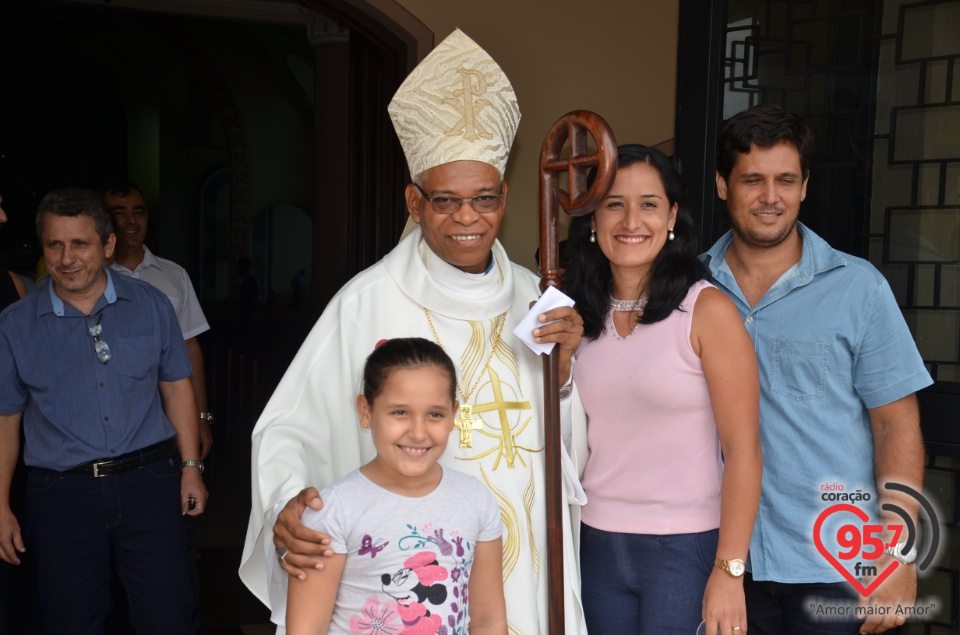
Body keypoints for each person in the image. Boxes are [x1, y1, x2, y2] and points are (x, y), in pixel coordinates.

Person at [240, 29, 588, 634]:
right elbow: (290, 426)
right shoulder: (367, 301)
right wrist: (287, 508)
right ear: (414, 201)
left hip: (525, 557)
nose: (466, 218)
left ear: (504, 198)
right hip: (405, 576)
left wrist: (564, 378)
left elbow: (569, 442)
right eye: (446, 200)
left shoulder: (538, 300)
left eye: (484, 199)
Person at [704, 104, 933, 634]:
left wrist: (898, 555)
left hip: (836, 565)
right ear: (722, 185)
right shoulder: (689, 292)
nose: (770, 197)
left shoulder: (859, 288)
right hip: (724, 562)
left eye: (786, 180)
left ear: (804, 186)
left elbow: (896, 425)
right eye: (752, 180)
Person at [563, 144, 763, 634]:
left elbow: (745, 451)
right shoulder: (575, 315)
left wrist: (729, 571)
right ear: (593, 217)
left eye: (649, 204)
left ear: (671, 215)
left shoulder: (706, 310)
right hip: (597, 542)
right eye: (614, 203)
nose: (631, 219)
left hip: (683, 547)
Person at [0, 187, 209, 634]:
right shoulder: (16, 324)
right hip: (62, 496)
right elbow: (7, 419)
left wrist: (190, 466)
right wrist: (0, 504)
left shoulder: (151, 305)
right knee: (71, 622)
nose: (67, 258)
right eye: (55, 244)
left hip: (149, 485)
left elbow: (177, 387)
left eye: (81, 244)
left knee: (169, 617)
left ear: (108, 246)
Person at [284, 338, 507, 635]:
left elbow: (488, 620)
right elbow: (306, 629)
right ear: (366, 411)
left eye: (435, 414)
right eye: (400, 412)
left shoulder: (476, 500)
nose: (418, 432)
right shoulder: (333, 510)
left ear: (454, 415)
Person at [103, 180, 214, 459]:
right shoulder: (89, 278)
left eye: (138, 212)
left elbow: (190, 347)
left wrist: (201, 417)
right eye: (119, 212)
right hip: (106, 415)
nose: (130, 220)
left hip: (169, 412)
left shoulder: (173, 275)